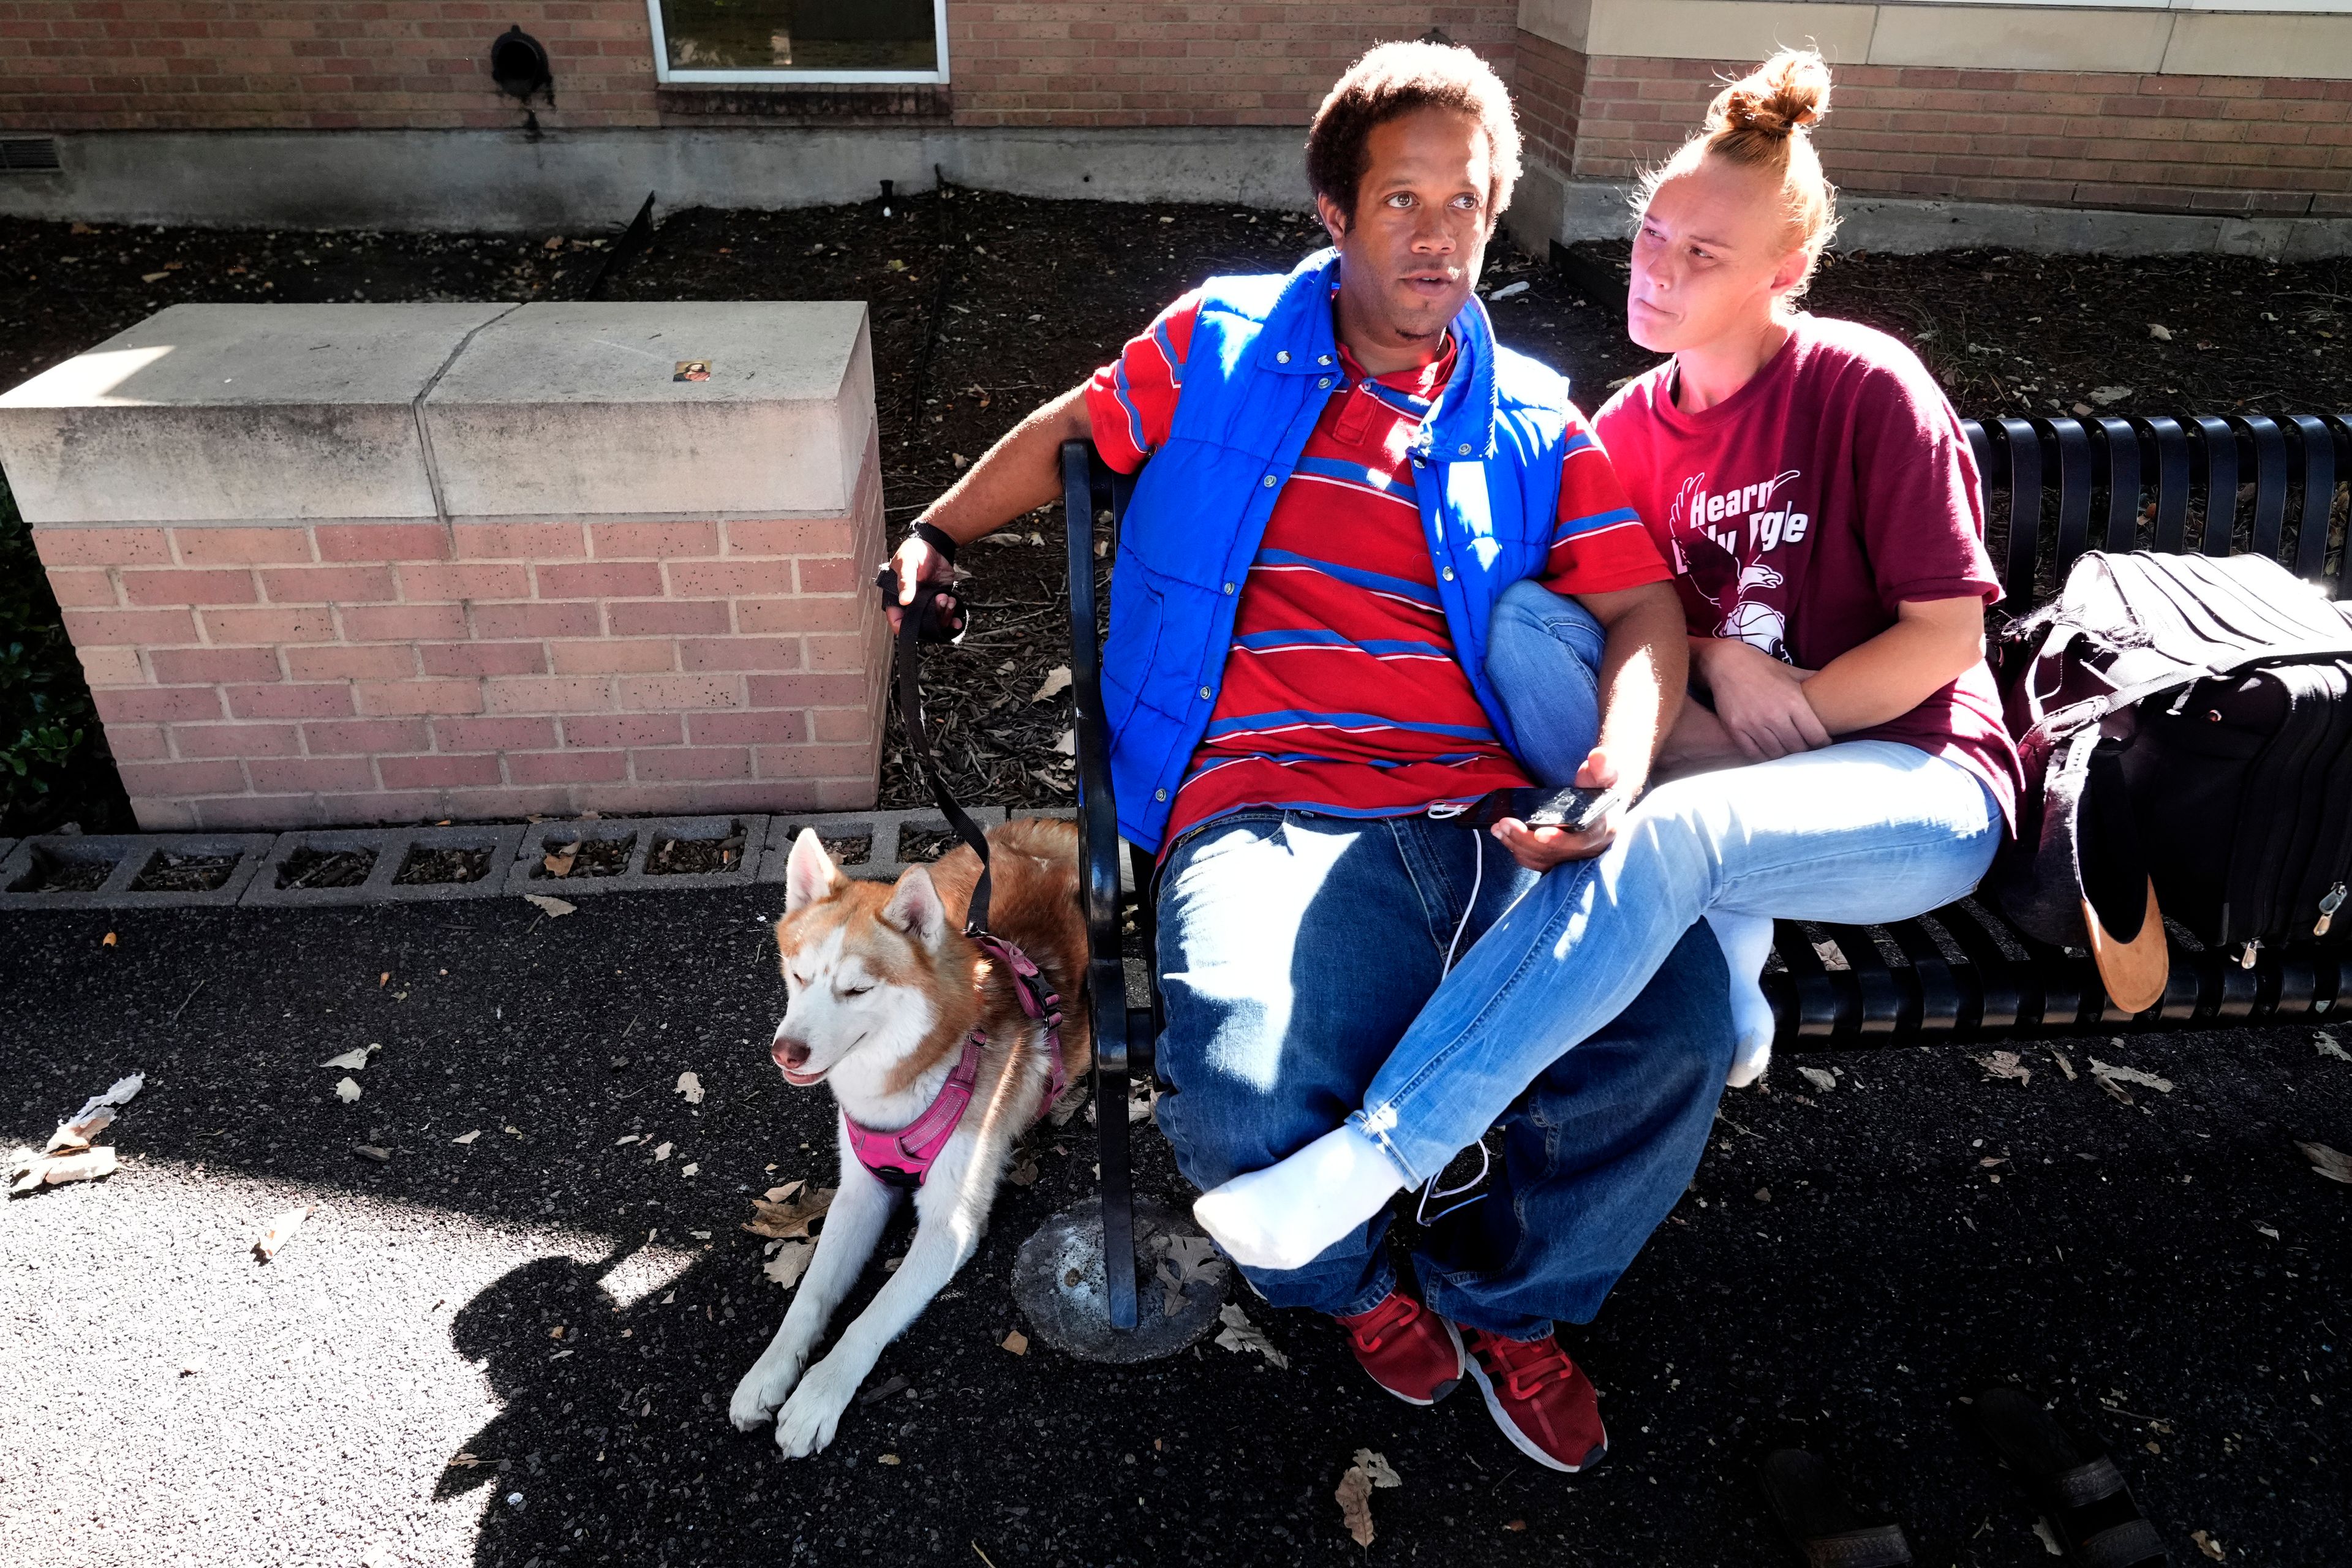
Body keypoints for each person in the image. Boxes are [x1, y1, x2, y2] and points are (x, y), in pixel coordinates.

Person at [883, 42, 1733, 1474]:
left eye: (1467, 202)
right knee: (1233, 1081)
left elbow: (1642, 604)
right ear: (1335, 215)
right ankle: (1352, 1286)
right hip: (1262, 809)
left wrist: (1618, 761)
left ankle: (1510, 1300)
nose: (1439, 233)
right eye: (1403, 198)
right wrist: (941, 529)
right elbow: (1078, 429)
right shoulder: (1217, 342)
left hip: (1481, 808)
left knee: (1677, 1028)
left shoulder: (1528, 408)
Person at [1192, 48, 2021, 1280]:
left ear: (1784, 274)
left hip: (1907, 778)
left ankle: (1378, 1153)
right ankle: (1717, 930)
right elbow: (1604, 623)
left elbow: (1948, 635)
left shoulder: (1861, 384)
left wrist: (1785, 702)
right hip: (1718, 765)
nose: (1658, 267)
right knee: (1526, 621)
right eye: (1654, 234)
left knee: (1670, 837)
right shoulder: (1628, 426)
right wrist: (1708, 659)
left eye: (1704, 255)